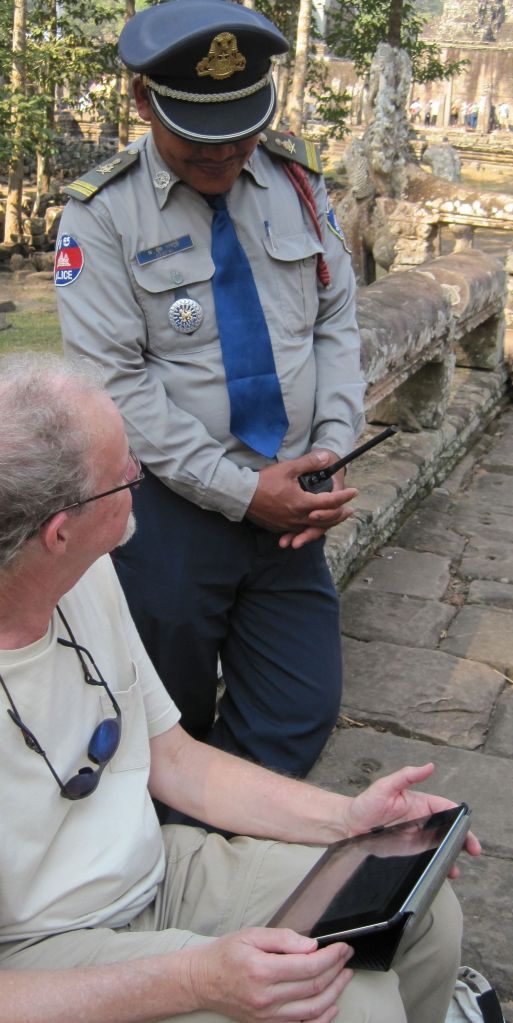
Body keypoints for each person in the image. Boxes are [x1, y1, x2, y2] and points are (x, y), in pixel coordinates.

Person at [0, 351, 481, 1023]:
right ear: (59, 530)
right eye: (123, 474)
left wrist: (348, 821)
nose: (141, 475)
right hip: (38, 951)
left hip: (153, 870)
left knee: (416, 910)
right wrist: (196, 980)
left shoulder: (85, 571)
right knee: (351, 1000)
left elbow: (174, 759)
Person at [55, 0, 366, 779]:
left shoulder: (295, 183)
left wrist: (331, 448)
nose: (223, 149)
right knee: (165, 713)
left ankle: (220, 827)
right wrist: (241, 491)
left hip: (291, 497)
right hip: (169, 512)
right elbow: (116, 383)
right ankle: (169, 834)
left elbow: (335, 319)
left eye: (239, 125)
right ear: (143, 100)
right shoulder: (101, 215)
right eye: (197, 129)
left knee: (299, 705)